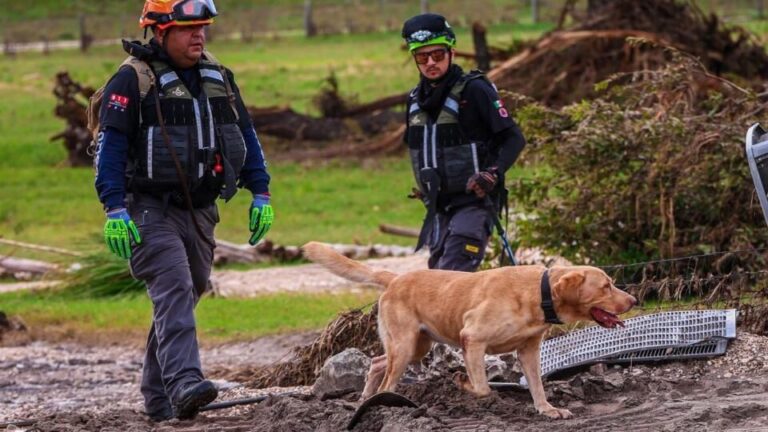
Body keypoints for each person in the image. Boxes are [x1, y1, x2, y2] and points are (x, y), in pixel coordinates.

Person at [94, 0, 273, 421]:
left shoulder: (219, 77)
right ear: (159, 33)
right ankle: (185, 383)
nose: (199, 36)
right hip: (147, 210)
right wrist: (113, 207)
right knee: (173, 287)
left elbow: (245, 133)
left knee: (185, 293)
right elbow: (111, 148)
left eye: (203, 28)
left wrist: (260, 192)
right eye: (187, 29)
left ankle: (159, 402)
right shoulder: (131, 80)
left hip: (201, 211)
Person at [401, 13, 526, 271]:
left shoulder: (475, 90)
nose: (430, 63)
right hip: (438, 207)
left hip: (475, 202)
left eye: (437, 54)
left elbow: (514, 138)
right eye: (422, 57)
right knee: (435, 278)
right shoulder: (414, 100)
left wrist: (492, 173)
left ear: (452, 52)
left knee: (452, 275)